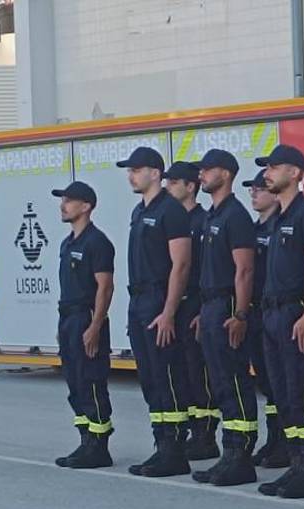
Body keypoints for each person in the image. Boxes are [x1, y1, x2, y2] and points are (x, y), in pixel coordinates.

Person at [254, 144, 304, 499]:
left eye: (276, 167)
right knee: (282, 392)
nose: (268, 173)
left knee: (300, 390)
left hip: (293, 312)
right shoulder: (278, 217)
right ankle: (294, 462)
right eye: (267, 167)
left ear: (297, 173)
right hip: (271, 313)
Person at [118, 146, 193, 478]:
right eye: (129, 170)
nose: (130, 175)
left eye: (136, 170)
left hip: (159, 301)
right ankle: (160, 443)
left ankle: (175, 450)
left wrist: (168, 312)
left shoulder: (170, 211)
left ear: (154, 173)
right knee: (149, 378)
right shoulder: (139, 211)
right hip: (139, 301)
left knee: (168, 377)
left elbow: (181, 264)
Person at [188, 149, 261, 486]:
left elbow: (244, 269)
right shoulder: (209, 217)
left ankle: (240, 455)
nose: (201, 174)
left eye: (208, 169)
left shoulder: (235, 216)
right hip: (210, 304)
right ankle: (227, 452)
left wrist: (241, 314)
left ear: (226, 173)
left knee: (233, 381)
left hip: (229, 306)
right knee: (219, 383)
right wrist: (203, 312)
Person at [51, 181, 116, 469]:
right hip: (68, 318)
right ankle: (85, 439)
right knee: (74, 382)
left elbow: (105, 287)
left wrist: (95, 326)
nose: (63, 205)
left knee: (90, 380)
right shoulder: (68, 243)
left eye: (69, 200)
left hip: (86, 317)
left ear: (86, 206)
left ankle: (100, 446)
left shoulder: (96, 242)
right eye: (62, 200)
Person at [165, 160, 219, 461]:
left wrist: (201, 309)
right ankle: (188, 430)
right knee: (181, 373)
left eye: (174, 182)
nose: (169, 187)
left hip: (196, 306)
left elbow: (203, 270)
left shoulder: (202, 220)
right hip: (175, 305)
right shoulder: (169, 219)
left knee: (200, 374)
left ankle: (206, 435)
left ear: (190, 186)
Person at [244, 168, 289, 470]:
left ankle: (286, 441)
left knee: (283, 382)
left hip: (276, 311)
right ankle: (274, 438)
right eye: (252, 189)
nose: (254, 193)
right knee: (268, 382)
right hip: (257, 311)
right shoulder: (253, 228)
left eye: (259, 188)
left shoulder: (279, 226)